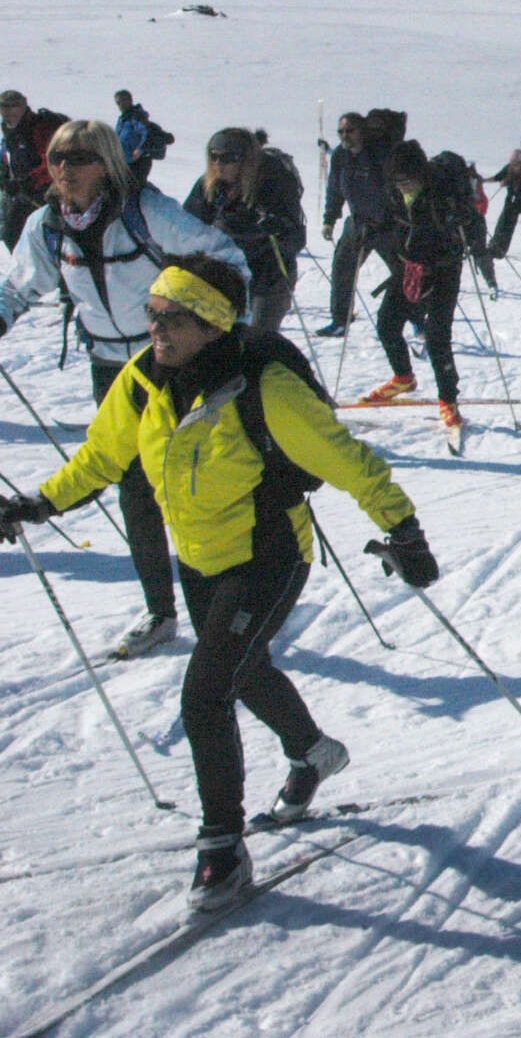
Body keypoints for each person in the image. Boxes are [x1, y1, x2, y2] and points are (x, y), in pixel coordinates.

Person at [0, 252, 435, 910]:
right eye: (153, 313)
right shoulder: (143, 380)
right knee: (244, 668)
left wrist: (405, 531)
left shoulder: (264, 387)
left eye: (173, 318)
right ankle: (312, 751)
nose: (156, 328)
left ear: (211, 324)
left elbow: (347, 460)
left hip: (267, 557)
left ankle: (222, 849)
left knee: (205, 695)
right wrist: (39, 504)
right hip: (201, 559)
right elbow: (100, 457)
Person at [1, 121, 251, 655]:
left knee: (197, 481)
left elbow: (225, 258)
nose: (65, 169)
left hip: (175, 362)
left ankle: (231, 600)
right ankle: (161, 611)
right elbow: (20, 286)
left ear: (108, 163)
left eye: (79, 158)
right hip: (113, 369)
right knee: (134, 489)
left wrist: (223, 330)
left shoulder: (145, 211)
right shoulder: (47, 225)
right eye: (57, 158)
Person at [359, 142, 492, 434]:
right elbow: (389, 222)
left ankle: (448, 400)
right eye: (397, 180)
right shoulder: (395, 191)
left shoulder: (444, 192)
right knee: (387, 324)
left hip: (444, 268)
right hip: (410, 267)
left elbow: (475, 224)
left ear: (420, 172)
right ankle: (403, 378)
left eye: (407, 179)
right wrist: (372, 229)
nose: (403, 185)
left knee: (437, 336)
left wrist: (469, 232)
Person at [184, 129, 309, 334]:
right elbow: (188, 225)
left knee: (257, 338)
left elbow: (297, 239)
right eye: (214, 157)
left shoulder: (273, 183)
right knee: (220, 337)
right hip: (228, 274)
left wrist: (278, 229)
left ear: (246, 160)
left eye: (228, 158)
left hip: (268, 277)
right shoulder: (209, 185)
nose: (219, 164)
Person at [316, 111, 403, 335]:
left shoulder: (380, 154)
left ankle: (416, 319)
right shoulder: (340, 156)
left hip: (387, 225)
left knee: (404, 272)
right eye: (341, 131)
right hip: (357, 224)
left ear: (362, 131)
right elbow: (335, 189)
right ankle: (340, 321)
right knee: (342, 270)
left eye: (350, 130)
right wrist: (329, 219)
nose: (345, 135)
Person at [2, 89, 71, 249]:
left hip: (46, 191)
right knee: (13, 236)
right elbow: (8, 155)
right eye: (4, 106)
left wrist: (29, 180)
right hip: (24, 193)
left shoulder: (40, 127)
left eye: (14, 105)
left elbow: (51, 160)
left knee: (49, 238)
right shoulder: (10, 128)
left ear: (24, 104)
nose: (9, 111)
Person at [112, 90, 174, 186]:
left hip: (139, 162)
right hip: (125, 162)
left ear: (130, 100)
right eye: (118, 102)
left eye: (123, 101)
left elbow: (146, 133)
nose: (121, 105)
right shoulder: (123, 119)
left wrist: (140, 149)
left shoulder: (137, 117)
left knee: (134, 189)